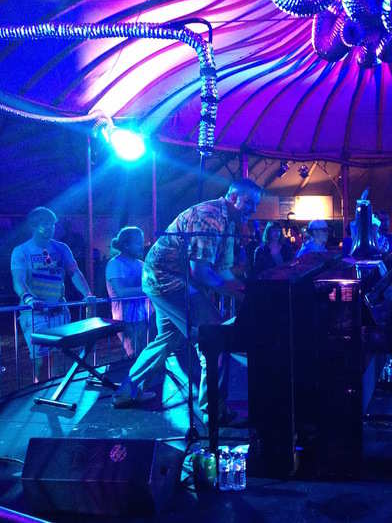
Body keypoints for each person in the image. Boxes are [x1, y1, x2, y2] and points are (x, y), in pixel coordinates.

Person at [112, 178, 263, 427]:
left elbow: (223, 272)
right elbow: (201, 273)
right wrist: (244, 295)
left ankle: (126, 392)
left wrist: (248, 294)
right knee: (215, 338)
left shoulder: (229, 222)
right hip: (170, 282)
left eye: (255, 204)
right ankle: (214, 410)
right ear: (234, 197)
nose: (253, 210)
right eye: (249, 202)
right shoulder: (211, 217)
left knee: (167, 339)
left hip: (164, 280)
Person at [11, 207, 96, 381]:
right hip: (35, 313)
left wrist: (88, 293)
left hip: (59, 309)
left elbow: (74, 272)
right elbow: (18, 280)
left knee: (60, 356)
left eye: (52, 224)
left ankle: (55, 392)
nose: (50, 228)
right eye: (45, 224)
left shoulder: (61, 248)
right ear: (34, 226)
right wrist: (29, 298)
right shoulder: (21, 251)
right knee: (41, 360)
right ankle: (38, 392)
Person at [106, 226, 148, 359]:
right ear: (126, 245)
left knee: (142, 353)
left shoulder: (141, 264)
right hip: (124, 317)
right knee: (133, 355)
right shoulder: (115, 264)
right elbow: (121, 292)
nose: (142, 246)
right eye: (138, 243)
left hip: (143, 315)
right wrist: (150, 289)